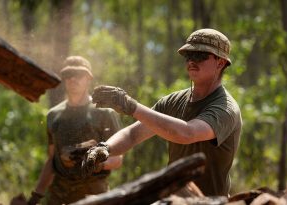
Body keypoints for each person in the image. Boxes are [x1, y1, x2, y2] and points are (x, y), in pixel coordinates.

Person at [83, 28, 242, 197]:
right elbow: (132, 134)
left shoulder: (225, 108)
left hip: (211, 201)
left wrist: (130, 106)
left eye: (200, 56)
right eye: (188, 55)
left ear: (220, 63)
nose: (191, 61)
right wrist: (105, 148)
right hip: (174, 198)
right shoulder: (173, 101)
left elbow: (187, 132)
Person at [28, 56, 123, 205]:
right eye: (68, 75)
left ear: (88, 78)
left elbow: (118, 159)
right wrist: (37, 195)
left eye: (78, 74)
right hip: (59, 197)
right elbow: (52, 161)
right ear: (64, 79)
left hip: (94, 196)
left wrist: (98, 164)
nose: (73, 79)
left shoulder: (104, 113)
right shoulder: (53, 115)